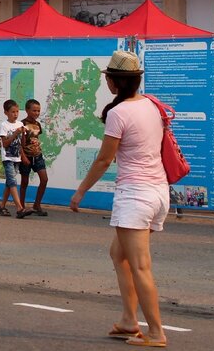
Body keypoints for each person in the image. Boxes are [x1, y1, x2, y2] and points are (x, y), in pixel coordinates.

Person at [71, 51, 168, 348]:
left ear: (114, 82)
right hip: (158, 192)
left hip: (135, 195)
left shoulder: (118, 113)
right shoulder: (151, 104)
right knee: (119, 255)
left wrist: (81, 191)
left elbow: (104, 159)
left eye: (109, 79)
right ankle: (128, 319)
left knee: (140, 265)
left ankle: (156, 333)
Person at [0, 100, 31, 218]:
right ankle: (19, 208)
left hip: (17, 157)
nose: (15, 114)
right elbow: (5, 143)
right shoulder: (4, 125)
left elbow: (21, 144)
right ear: (6, 112)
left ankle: (2, 206)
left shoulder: (19, 124)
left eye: (17, 112)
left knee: (9, 183)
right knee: (12, 182)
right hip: (7, 157)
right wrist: (15, 133)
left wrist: (22, 134)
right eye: (12, 112)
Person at [19, 99, 49, 216]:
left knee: (44, 179)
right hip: (26, 157)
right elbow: (20, 143)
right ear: (27, 110)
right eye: (34, 110)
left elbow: (35, 138)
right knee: (24, 182)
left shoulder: (37, 124)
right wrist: (23, 157)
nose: (36, 113)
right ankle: (21, 206)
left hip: (37, 156)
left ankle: (37, 205)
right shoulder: (22, 125)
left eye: (38, 111)